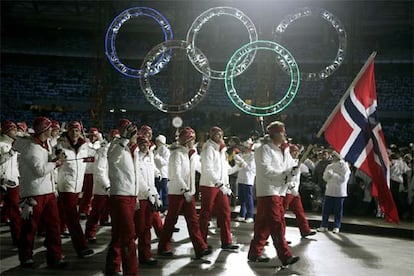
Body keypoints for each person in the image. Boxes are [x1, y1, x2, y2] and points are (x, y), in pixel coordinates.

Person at [15, 116, 67, 268]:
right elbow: (39, 170)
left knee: (54, 225)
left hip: (47, 191)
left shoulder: (44, 145)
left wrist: (55, 157)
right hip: (33, 192)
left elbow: (46, 162)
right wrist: (56, 163)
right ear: (44, 130)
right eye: (50, 128)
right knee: (30, 226)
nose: (53, 130)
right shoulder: (32, 148)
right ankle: (25, 256)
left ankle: (55, 256)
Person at [247, 121, 300, 267]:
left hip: (279, 191)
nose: (285, 135)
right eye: (282, 132)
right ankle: (285, 256)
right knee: (277, 223)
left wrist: (293, 173)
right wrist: (285, 175)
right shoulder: (263, 150)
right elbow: (266, 171)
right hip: (268, 190)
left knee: (264, 225)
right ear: (275, 134)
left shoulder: (284, 150)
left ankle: (254, 253)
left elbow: (290, 167)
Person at [158, 127, 212, 259]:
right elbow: (176, 174)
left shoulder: (190, 154)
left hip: (188, 193)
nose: (194, 142)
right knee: (171, 220)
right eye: (192, 139)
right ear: (187, 140)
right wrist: (185, 189)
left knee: (193, 221)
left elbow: (200, 168)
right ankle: (163, 247)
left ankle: (200, 248)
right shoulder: (177, 154)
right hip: (177, 192)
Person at [55, 121, 95, 258]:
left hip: (77, 186)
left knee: (61, 215)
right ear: (67, 131)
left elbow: (90, 159)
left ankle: (53, 245)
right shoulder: (60, 145)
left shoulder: (84, 146)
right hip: (65, 186)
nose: (75, 133)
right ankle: (81, 247)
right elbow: (54, 163)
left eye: (77, 131)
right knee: (73, 217)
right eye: (72, 130)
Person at [105, 119, 139, 275]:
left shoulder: (132, 150)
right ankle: (131, 271)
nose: (134, 134)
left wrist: (136, 195)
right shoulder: (115, 145)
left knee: (119, 233)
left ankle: (112, 266)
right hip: (120, 195)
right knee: (128, 235)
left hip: (130, 195)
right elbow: (112, 159)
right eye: (129, 131)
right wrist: (124, 139)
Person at [198, 126, 240, 250]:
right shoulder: (208, 148)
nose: (220, 137)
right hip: (209, 185)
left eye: (221, 135)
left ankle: (227, 241)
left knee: (225, 212)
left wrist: (238, 167)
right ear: (211, 135)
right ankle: (201, 243)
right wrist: (219, 183)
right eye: (217, 135)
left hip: (220, 186)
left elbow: (226, 170)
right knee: (206, 214)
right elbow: (208, 169)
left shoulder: (221, 150)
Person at [134, 135, 162, 265]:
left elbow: (151, 179)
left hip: (149, 196)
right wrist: (148, 192)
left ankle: (145, 255)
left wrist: (155, 194)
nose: (144, 146)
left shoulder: (149, 158)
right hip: (141, 196)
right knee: (138, 228)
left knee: (146, 227)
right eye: (142, 144)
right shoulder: (136, 158)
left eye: (146, 144)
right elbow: (138, 178)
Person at [283, 144, 317, 238]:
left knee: (300, 212)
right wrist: (292, 188)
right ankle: (280, 235)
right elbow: (285, 178)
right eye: (294, 151)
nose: (296, 153)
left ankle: (305, 230)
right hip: (287, 191)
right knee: (280, 214)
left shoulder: (298, 162)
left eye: (297, 151)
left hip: (295, 192)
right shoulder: (286, 163)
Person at [317, 151, 351, 234]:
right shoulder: (329, 166)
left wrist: (333, 175)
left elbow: (343, 179)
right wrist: (328, 175)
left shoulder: (344, 166)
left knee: (338, 210)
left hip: (339, 191)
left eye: (335, 155)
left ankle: (336, 226)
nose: (333, 157)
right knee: (326, 209)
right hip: (329, 190)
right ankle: (324, 225)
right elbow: (325, 178)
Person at [0, 121, 22, 246]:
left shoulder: (12, 145)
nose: (16, 132)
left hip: (13, 181)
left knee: (15, 211)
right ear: (7, 131)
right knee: (14, 211)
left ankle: (18, 239)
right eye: (13, 130)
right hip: (3, 181)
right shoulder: (1, 144)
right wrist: (10, 153)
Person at [79, 127, 101, 218]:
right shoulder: (85, 144)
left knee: (95, 193)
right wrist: (93, 159)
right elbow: (82, 158)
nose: (93, 137)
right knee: (87, 193)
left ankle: (92, 210)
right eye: (91, 135)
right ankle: (83, 210)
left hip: (97, 172)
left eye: (95, 136)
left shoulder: (100, 145)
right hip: (87, 172)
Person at [234, 138, 255, 223]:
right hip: (241, 178)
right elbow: (238, 164)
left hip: (248, 179)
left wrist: (241, 162)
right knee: (241, 198)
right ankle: (242, 214)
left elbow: (250, 168)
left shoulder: (252, 156)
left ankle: (250, 215)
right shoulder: (242, 155)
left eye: (246, 147)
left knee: (248, 198)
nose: (244, 149)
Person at [154, 134, 170, 214]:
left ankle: (165, 207)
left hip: (163, 174)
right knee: (157, 191)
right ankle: (159, 207)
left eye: (158, 141)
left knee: (164, 191)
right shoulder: (156, 150)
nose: (157, 143)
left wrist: (158, 158)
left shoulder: (165, 150)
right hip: (157, 173)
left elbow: (165, 162)